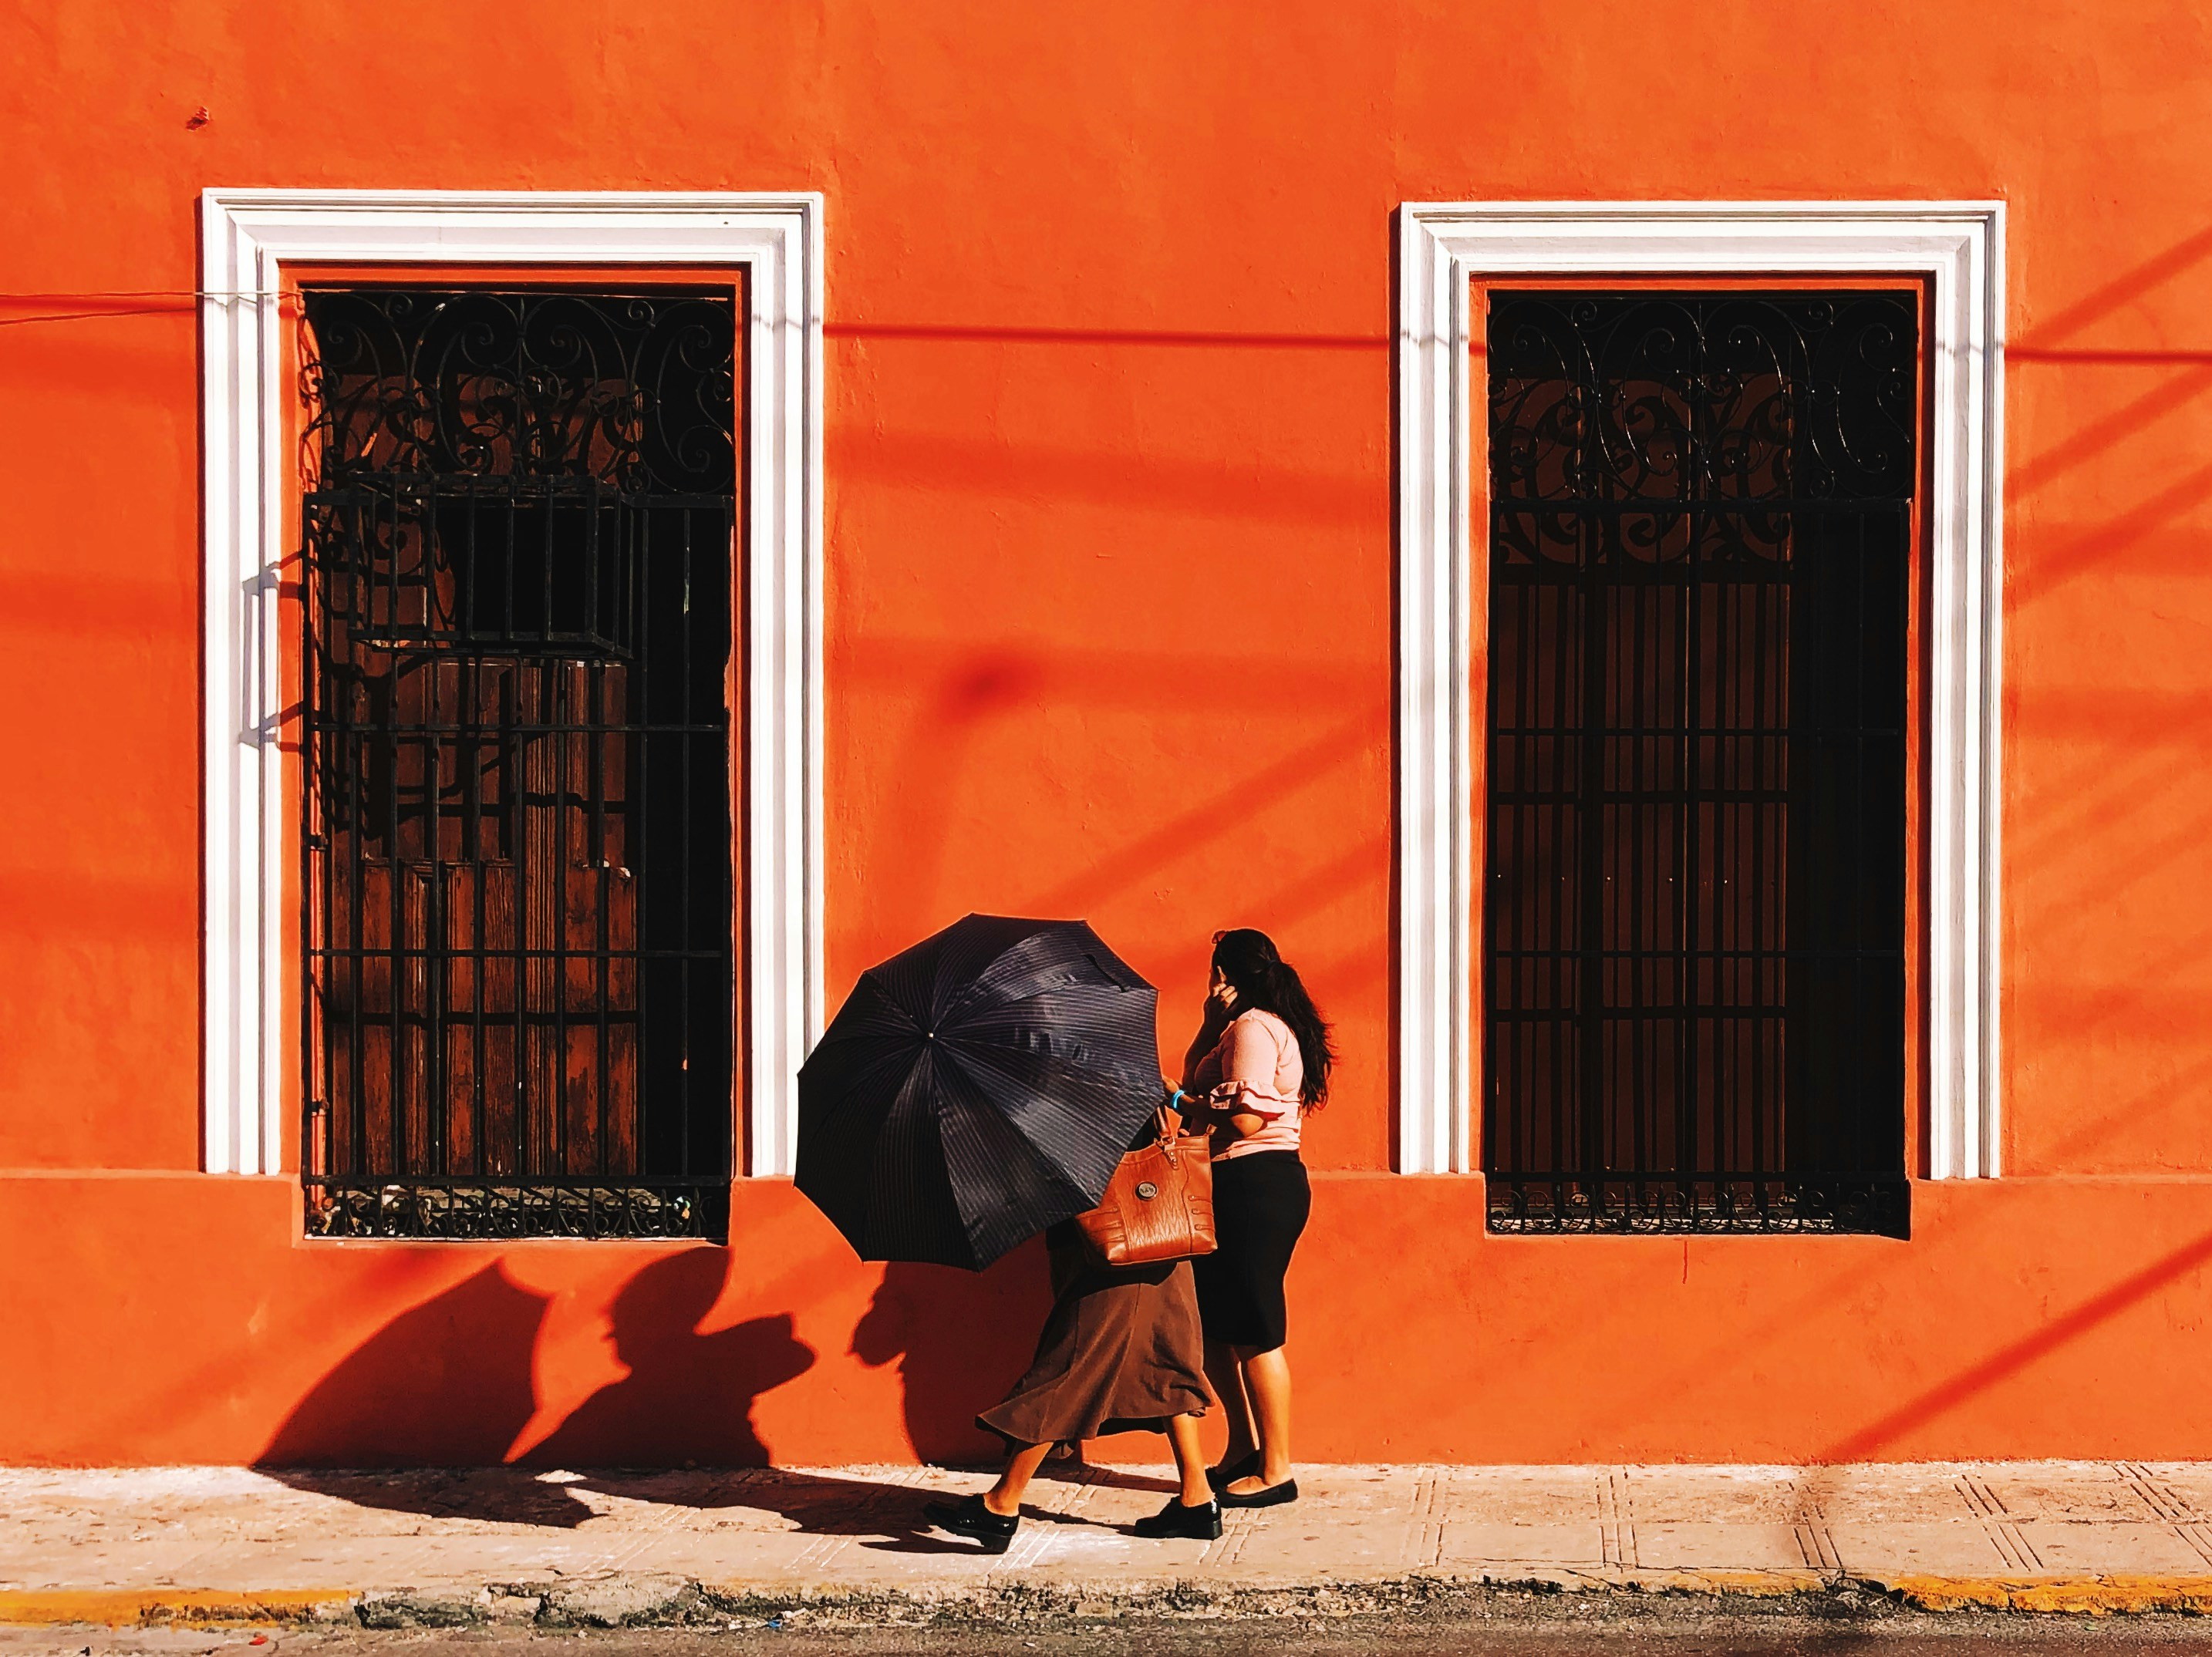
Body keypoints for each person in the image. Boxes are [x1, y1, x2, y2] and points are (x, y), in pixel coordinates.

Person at [922, 1106, 1222, 1551]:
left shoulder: (1068, 1096)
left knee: (1069, 1369)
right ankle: (1198, 1500)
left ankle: (1001, 1505)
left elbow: (1071, 1167)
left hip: (1119, 1244)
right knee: (1167, 1362)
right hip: (1160, 1235)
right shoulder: (1119, 1079)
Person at [1171, 928, 1331, 1509]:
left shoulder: (1255, 1028)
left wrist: (1192, 1107)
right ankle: (1242, 1448)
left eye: (1214, 972)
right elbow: (1195, 1076)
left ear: (1226, 975)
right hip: (1240, 1183)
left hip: (1254, 1182)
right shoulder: (1239, 1027)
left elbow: (1245, 1121)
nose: (1210, 984)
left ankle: (1277, 1468)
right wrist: (1209, 1028)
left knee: (1258, 1330)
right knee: (1219, 1328)